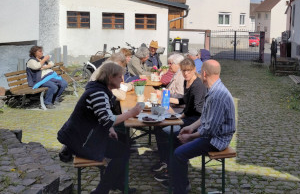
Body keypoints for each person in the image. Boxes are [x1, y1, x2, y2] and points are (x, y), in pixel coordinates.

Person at [57, 62, 143, 194]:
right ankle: (102, 190)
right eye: (120, 76)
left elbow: (102, 116)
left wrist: (110, 129)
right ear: (110, 78)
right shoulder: (98, 93)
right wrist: (130, 113)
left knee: (125, 140)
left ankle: (117, 182)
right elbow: (107, 119)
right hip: (81, 141)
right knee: (123, 151)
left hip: (84, 135)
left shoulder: (100, 90)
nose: (122, 79)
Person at [169, 60, 236, 193]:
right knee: (175, 138)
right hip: (211, 135)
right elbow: (204, 117)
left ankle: (180, 189)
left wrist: (191, 136)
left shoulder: (217, 95)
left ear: (204, 73)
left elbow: (210, 130)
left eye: (200, 71)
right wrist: (191, 127)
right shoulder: (214, 89)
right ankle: (176, 180)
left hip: (216, 141)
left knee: (178, 153)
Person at [152, 58, 206, 181]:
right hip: (186, 115)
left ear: (193, 70)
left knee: (168, 131)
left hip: (196, 120)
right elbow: (184, 101)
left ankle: (171, 171)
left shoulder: (198, 85)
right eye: (183, 71)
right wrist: (168, 99)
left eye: (188, 71)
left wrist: (181, 116)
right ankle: (165, 160)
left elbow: (197, 109)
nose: (186, 73)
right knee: (158, 126)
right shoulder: (186, 82)